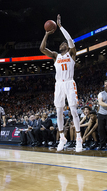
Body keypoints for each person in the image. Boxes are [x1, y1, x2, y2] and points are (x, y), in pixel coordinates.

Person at [40, 14, 82, 152]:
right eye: (61, 43)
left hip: (69, 83)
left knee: (74, 110)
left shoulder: (71, 54)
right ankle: (62, 137)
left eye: (65, 43)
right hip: (59, 84)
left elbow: (70, 41)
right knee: (58, 111)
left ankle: (78, 138)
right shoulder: (55, 56)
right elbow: (42, 48)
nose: (63, 43)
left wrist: (60, 27)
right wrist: (46, 34)